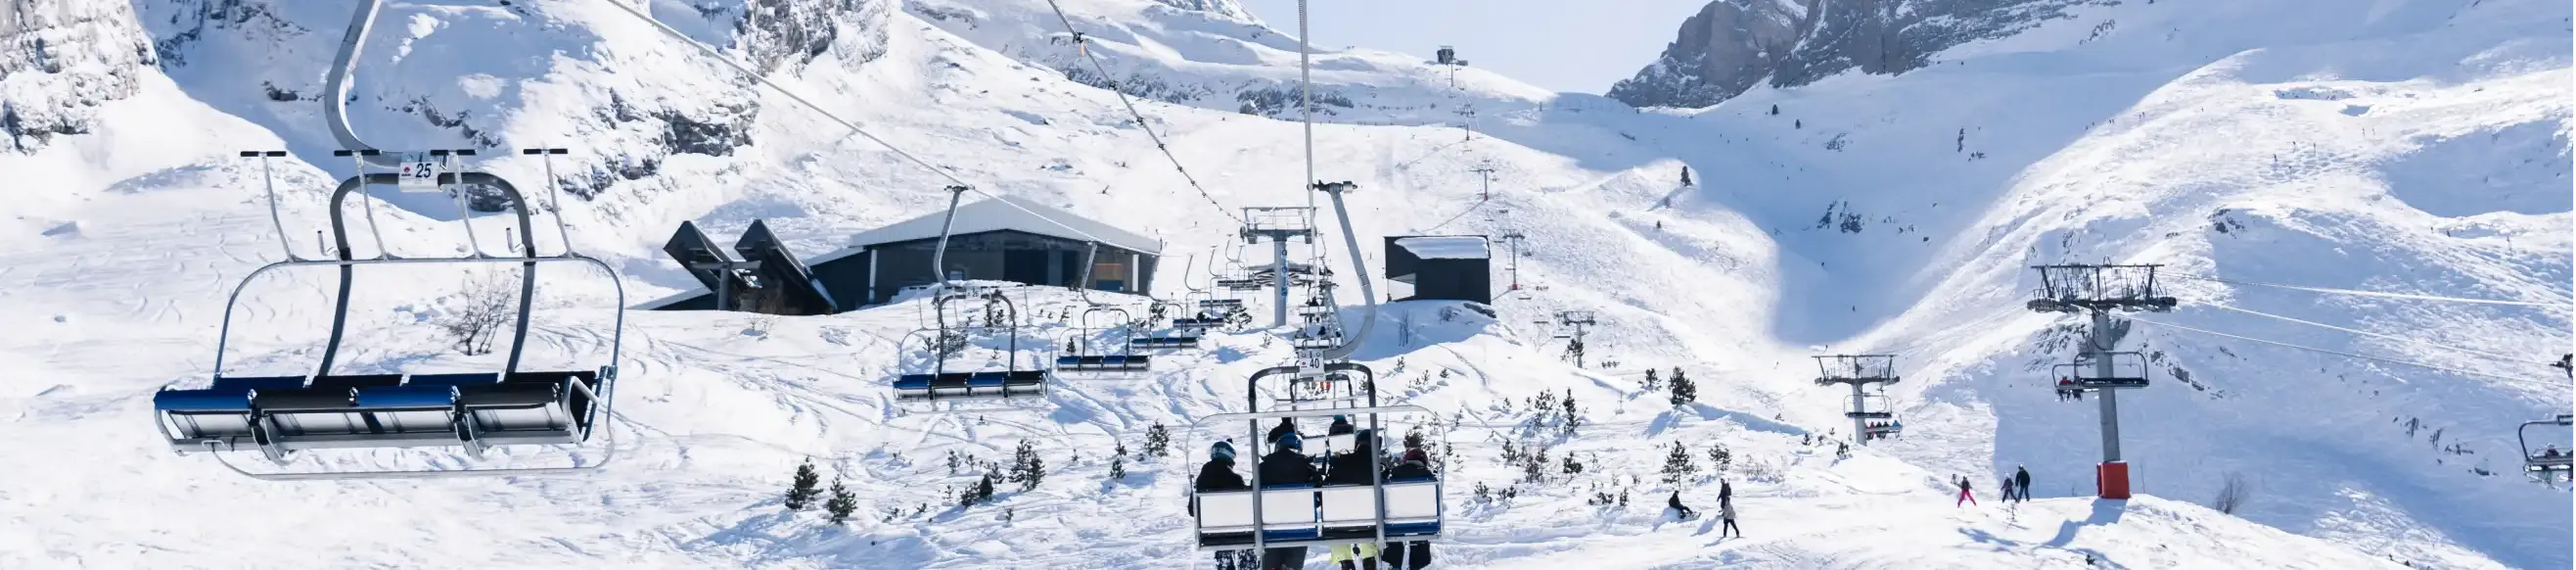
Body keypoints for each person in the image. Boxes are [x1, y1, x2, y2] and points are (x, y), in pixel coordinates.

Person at [1259, 433, 1319, 570]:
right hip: (1301, 526)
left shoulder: (1264, 467)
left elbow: (1254, 491)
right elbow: (1318, 493)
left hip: (1270, 526)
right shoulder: (1308, 466)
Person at [1196, 442, 1256, 570]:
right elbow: (1246, 506)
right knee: (1247, 545)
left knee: (1222, 544)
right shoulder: (1235, 479)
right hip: (1238, 530)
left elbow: (1192, 510)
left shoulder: (1200, 481)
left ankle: (1224, 562)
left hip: (1211, 532)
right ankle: (1247, 563)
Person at [1382, 449, 1436, 570]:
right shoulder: (1429, 476)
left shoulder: (1395, 473)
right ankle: (1416, 565)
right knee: (1420, 537)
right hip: (1423, 522)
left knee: (1394, 536)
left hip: (1395, 522)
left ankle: (1394, 564)